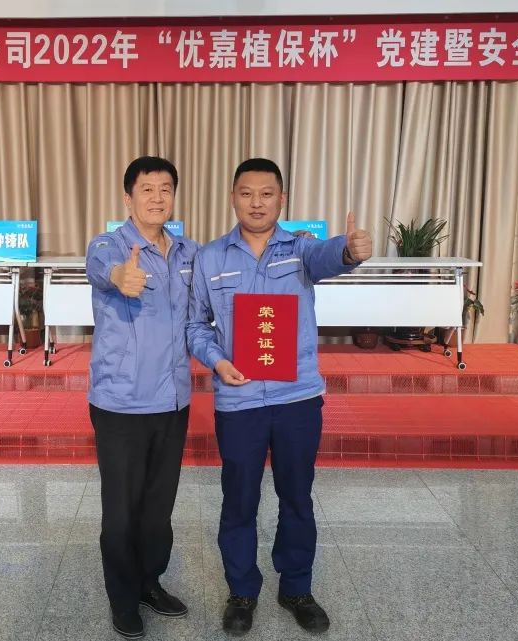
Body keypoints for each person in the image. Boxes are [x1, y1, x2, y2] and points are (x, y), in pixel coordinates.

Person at [187, 158, 373, 636]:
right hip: (239, 400)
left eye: (266, 194)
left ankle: (296, 588)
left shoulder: (301, 250)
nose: (257, 203)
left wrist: (349, 251)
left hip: (297, 399)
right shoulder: (210, 258)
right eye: (247, 193)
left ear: (282, 199)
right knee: (239, 499)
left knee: (296, 496)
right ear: (233, 197)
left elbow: (331, 257)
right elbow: (195, 325)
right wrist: (217, 361)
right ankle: (242, 591)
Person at [85, 156, 199, 640]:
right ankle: (122, 597)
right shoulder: (108, 245)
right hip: (122, 403)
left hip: (173, 400)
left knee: (158, 507)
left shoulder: (188, 252)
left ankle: (150, 582)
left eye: (165, 188)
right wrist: (119, 276)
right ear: (128, 198)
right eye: (147, 189)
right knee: (121, 511)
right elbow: (101, 268)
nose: (157, 197)